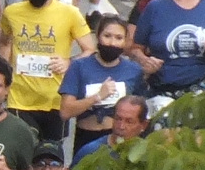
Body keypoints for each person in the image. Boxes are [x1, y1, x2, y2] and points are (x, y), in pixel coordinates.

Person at [0, 0, 93, 139]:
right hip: (20, 99)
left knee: (49, 158)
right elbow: (4, 42)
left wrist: (69, 63)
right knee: (24, 154)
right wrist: (4, 75)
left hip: (55, 100)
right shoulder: (12, 12)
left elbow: (90, 50)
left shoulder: (70, 14)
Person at [60, 15, 146, 156]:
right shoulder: (79, 66)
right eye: (107, 36)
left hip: (119, 139)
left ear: (125, 42)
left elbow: (141, 110)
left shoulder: (134, 70)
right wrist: (97, 97)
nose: (112, 43)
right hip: (86, 136)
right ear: (98, 37)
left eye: (119, 38)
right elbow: (65, 111)